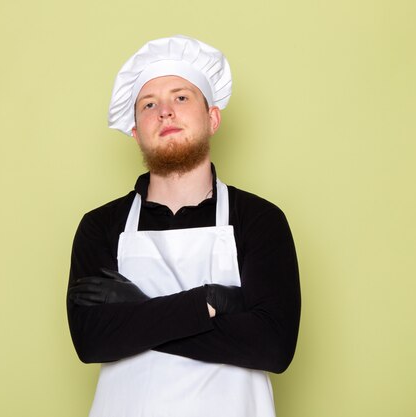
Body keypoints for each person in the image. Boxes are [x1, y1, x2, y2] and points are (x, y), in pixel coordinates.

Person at [67, 35, 301, 417]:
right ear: (135, 130)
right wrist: (210, 300)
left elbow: (272, 347)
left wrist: (139, 312)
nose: (165, 112)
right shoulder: (100, 226)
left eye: (181, 97)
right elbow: (92, 341)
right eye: (149, 104)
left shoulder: (259, 219)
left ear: (212, 118)